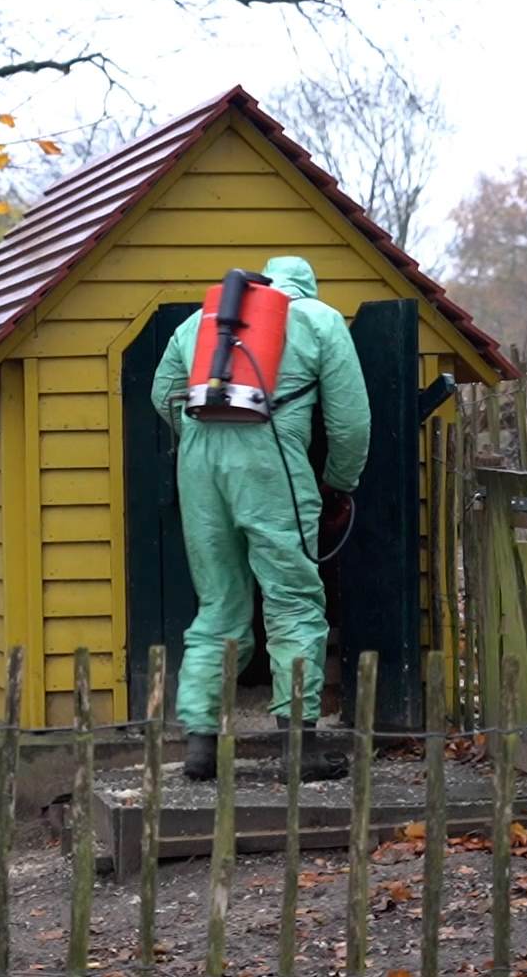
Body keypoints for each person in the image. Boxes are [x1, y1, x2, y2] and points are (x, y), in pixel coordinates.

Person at [150, 255, 371, 781]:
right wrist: (340, 482)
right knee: (292, 598)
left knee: (219, 601)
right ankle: (300, 747)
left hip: (200, 461)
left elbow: (162, 393)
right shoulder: (320, 319)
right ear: (307, 286)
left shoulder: (200, 321)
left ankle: (201, 745)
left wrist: (204, 436)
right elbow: (351, 423)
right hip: (271, 458)